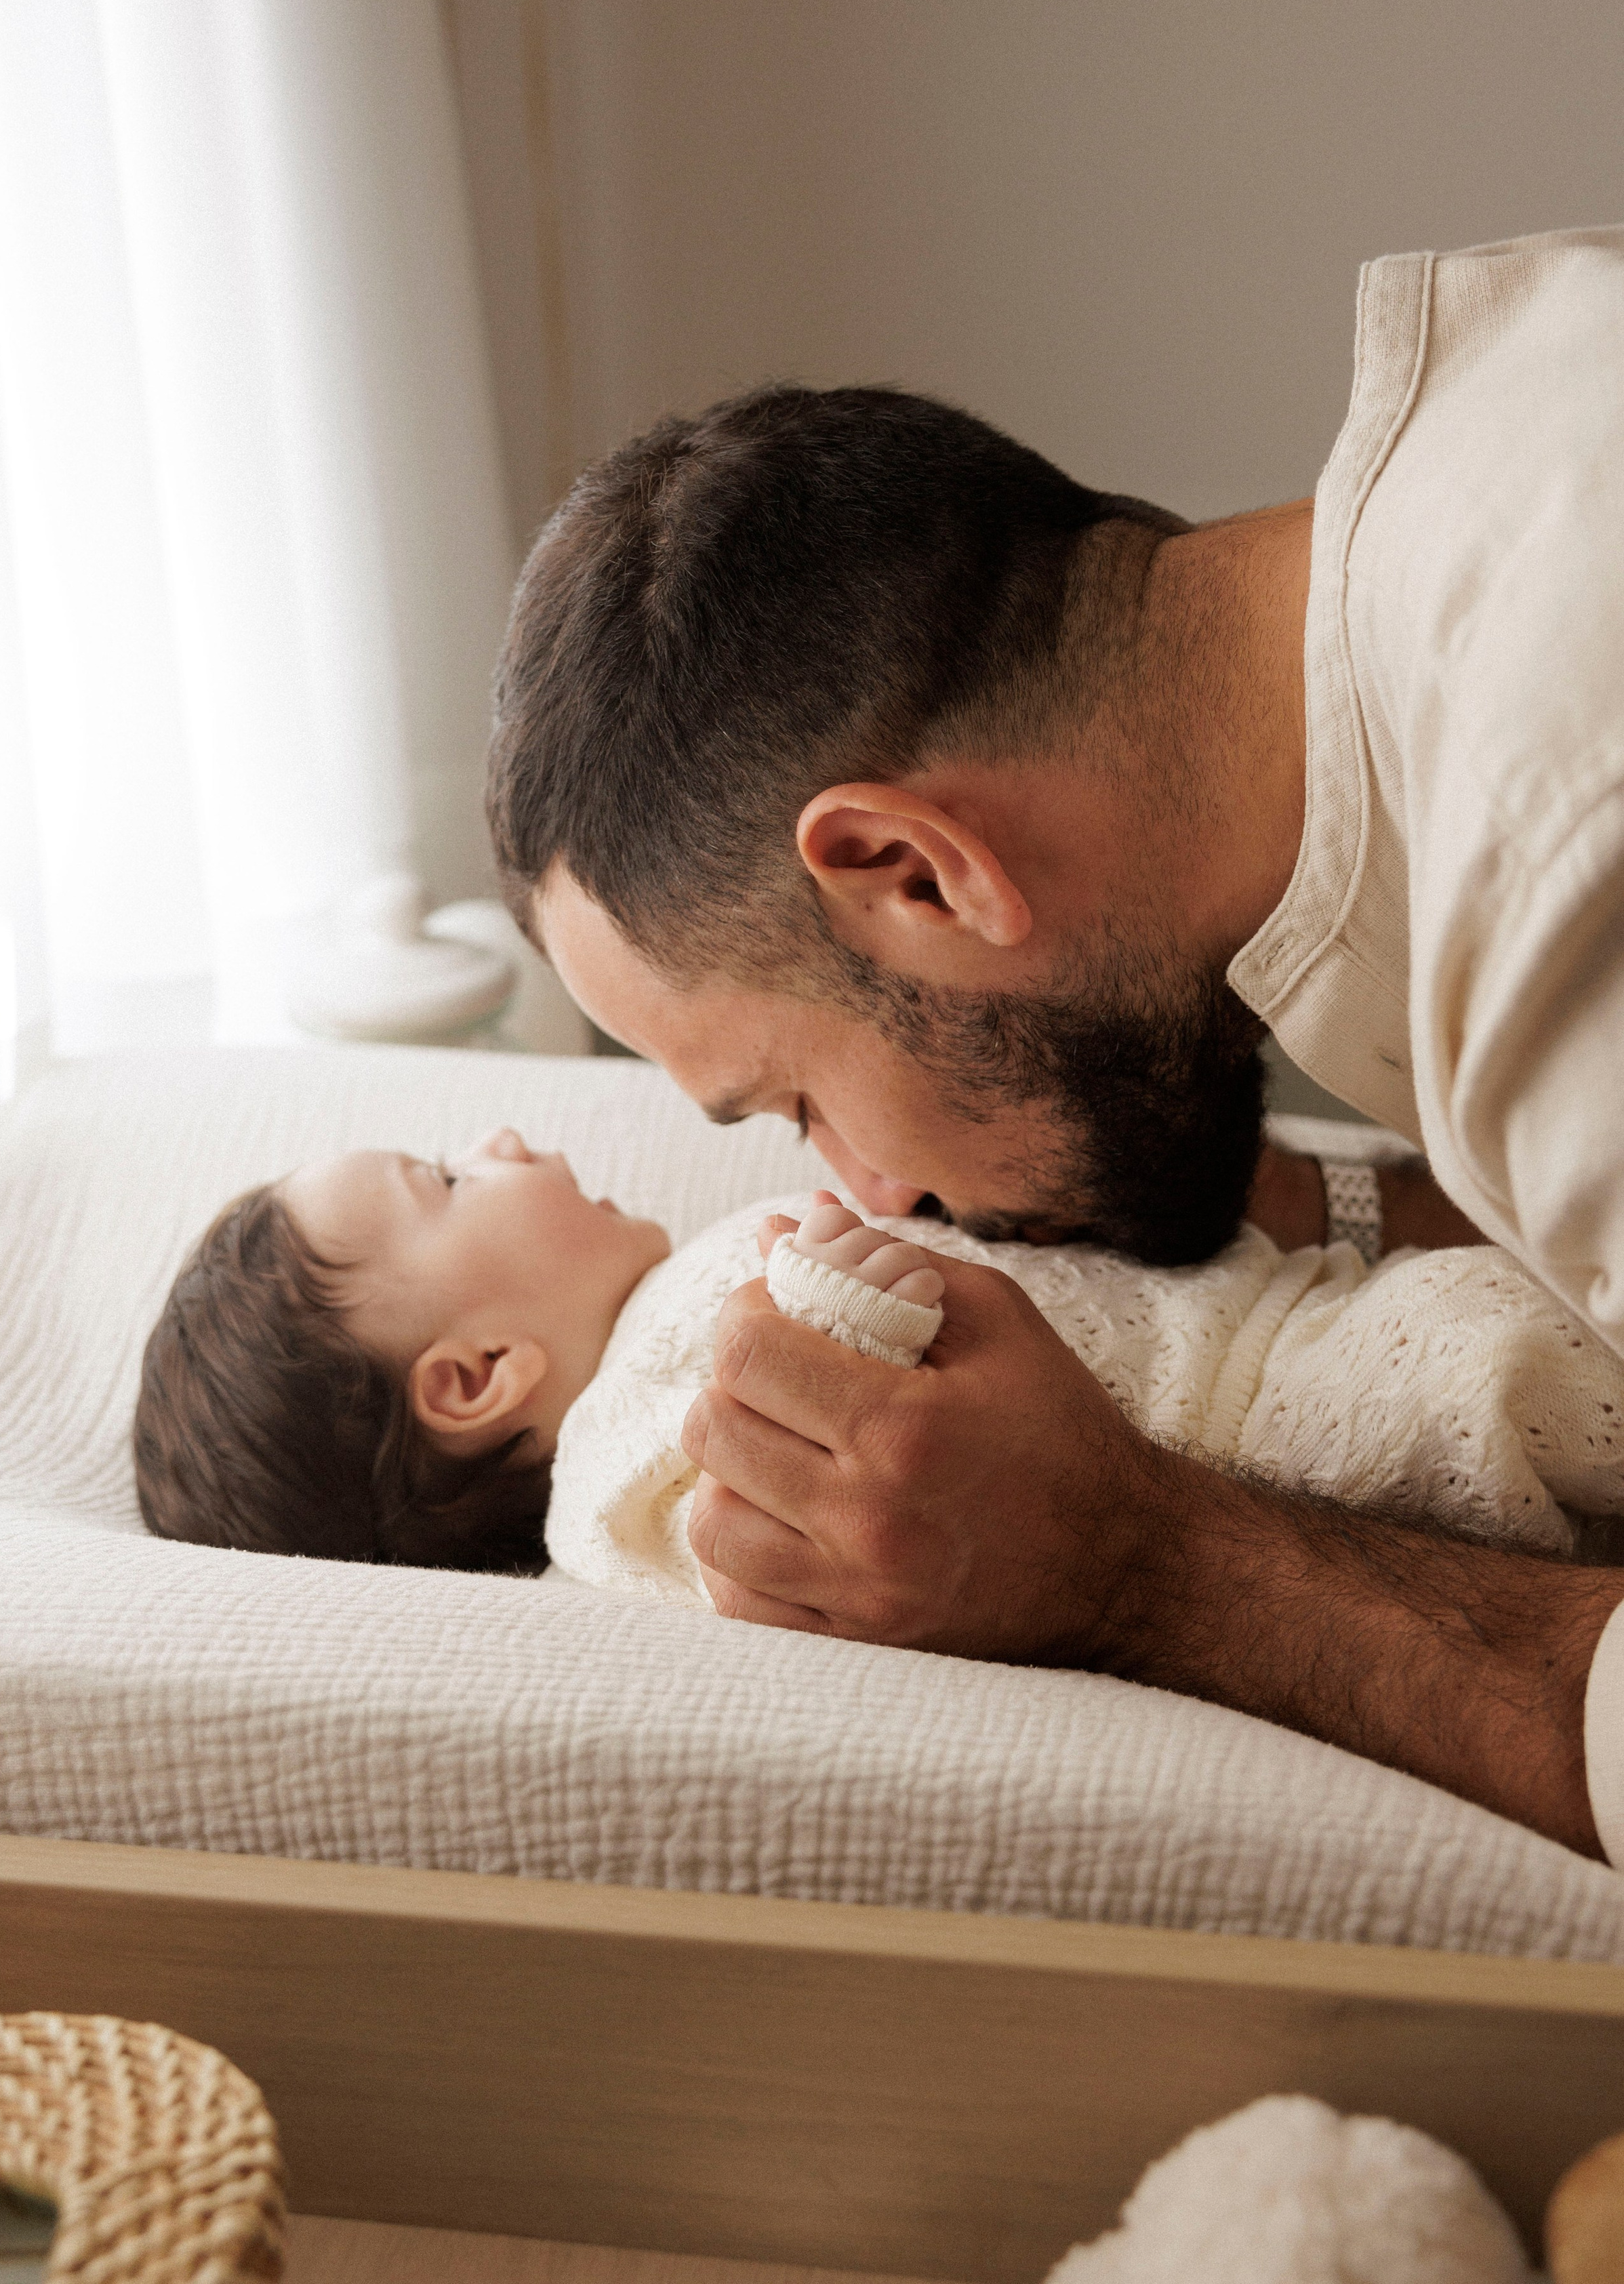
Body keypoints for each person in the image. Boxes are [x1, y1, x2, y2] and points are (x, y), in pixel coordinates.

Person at [485, 222, 1624, 1860]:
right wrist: (1312, 1216)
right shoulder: (1521, 424)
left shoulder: (1551, 868)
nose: (869, 1191)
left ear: (913, 871)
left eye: (794, 1097)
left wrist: (1139, 1563)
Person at [133, 1133, 1624, 1603]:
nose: (507, 1143)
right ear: (477, 1378)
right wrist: (842, 1303)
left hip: (1296, 1320)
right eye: (452, 1182)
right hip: (1300, 1405)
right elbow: (777, 1511)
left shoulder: (673, 1296)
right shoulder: (608, 1478)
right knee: (1521, 1370)